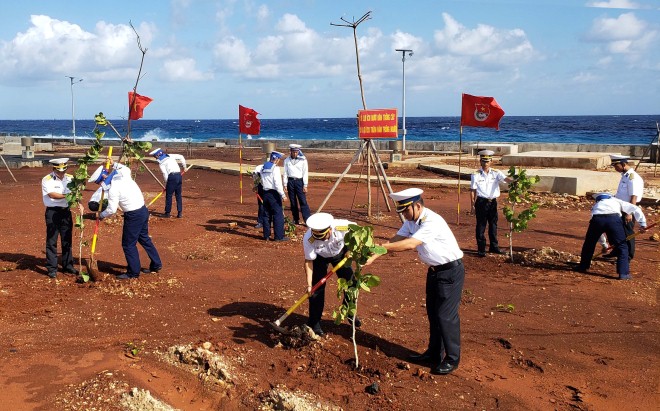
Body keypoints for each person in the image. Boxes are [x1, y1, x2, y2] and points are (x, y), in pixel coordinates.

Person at [366, 188, 464, 375]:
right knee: (433, 315)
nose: (403, 215)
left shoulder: (432, 221)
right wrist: (375, 254)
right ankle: (434, 353)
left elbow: (410, 244)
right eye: (401, 211)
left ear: (417, 206)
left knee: (445, 316)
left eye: (405, 210)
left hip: (450, 272)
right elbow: (397, 238)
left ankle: (452, 358)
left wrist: (383, 249)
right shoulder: (412, 220)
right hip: (435, 272)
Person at [89, 164, 162, 279]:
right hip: (143, 211)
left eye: (99, 182)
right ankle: (156, 264)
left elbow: (112, 210)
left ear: (103, 179)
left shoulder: (113, 188)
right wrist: (114, 164)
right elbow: (125, 168)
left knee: (128, 245)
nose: (100, 185)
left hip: (133, 216)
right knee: (144, 238)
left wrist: (101, 215)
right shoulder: (124, 176)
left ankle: (133, 272)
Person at [303, 212, 360, 336]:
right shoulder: (309, 238)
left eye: (324, 236)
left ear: (330, 229)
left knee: (352, 285)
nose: (322, 239)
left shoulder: (342, 226)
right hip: (320, 258)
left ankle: (350, 313)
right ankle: (314, 322)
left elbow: (358, 232)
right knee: (316, 290)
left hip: (340, 255)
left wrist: (351, 249)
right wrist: (309, 286)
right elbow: (308, 262)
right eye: (318, 238)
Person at [573, 193, 647, 280]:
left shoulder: (596, 206)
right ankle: (623, 274)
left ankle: (583, 267)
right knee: (622, 246)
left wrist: (604, 244)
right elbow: (635, 208)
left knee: (589, 244)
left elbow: (598, 233)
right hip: (614, 220)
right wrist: (643, 224)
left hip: (597, 219)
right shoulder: (616, 201)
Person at [599, 155, 644, 259]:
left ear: (623, 164)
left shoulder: (633, 178)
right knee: (613, 230)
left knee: (627, 233)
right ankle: (616, 251)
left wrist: (629, 213)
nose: (615, 168)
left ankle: (628, 256)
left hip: (628, 209)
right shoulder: (625, 176)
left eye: (616, 166)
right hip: (619, 208)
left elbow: (634, 196)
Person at [470, 150, 512, 257]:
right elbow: (473, 190)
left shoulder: (496, 173)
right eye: (483, 161)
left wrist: (514, 182)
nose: (485, 163)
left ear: (491, 161)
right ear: (480, 161)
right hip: (481, 202)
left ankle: (494, 247)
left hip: (492, 202)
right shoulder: (475, 175)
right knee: (481, 226)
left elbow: (505, 179)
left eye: (487, 161)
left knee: (493, 225)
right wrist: (472, 205)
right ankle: (481, 249)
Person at [41, 158, 79, 278]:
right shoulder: (47, 180)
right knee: (52, 241)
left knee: (67, 239)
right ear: (54, 169)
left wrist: (79, 203)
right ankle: (52, 268)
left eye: (64, 171)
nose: (61, 173)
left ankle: (68, 266)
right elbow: (52, 194)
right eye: (59, 171)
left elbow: (76, 194)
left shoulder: (71, 178)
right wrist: (67, 196)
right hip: (53, 212)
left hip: (66, 212)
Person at [258, 151, 288, 241]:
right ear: (277, 159)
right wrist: (283, 195)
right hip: (274, 194)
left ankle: (266, 236)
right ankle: (278, 237)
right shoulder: (275, 168)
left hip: (265, 193)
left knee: (266, 215)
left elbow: (260, 180)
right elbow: (277, 184)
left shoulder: (263, 167)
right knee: (278, 215)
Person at [150, 148, 184, 218]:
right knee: (178, 195)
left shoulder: (161, 163)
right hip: (179, 175)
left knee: (169, 195)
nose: (155, 158)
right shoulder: (170, 156)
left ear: (158, 155)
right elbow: (181, 157)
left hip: (171, 177)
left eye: (155, 156)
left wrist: (167, 183)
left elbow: (165, 174)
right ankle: (180, 213)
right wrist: (184, 166)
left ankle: (167, 213)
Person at [283, 144, 311, 225]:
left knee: (303, 201)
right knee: (293, 202)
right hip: (290, 181)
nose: (295, 154)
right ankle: (296, 219)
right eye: (293, 152)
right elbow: (285, 173)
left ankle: (307, 220)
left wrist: (305, 185)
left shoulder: (303, 160)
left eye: (296, 152)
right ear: (290, 151)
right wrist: (285, 184)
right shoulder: (286, 160)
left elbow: (305, 172)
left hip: (299, 182)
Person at [251, 165, 266, 229]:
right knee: (261, 205)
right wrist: (255, 186)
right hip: (261, 187)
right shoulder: (257, 169)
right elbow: (255, 178)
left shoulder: (274, 169)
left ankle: (271, 221)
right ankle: (260, 222)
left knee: (271, 205)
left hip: (270, 187)